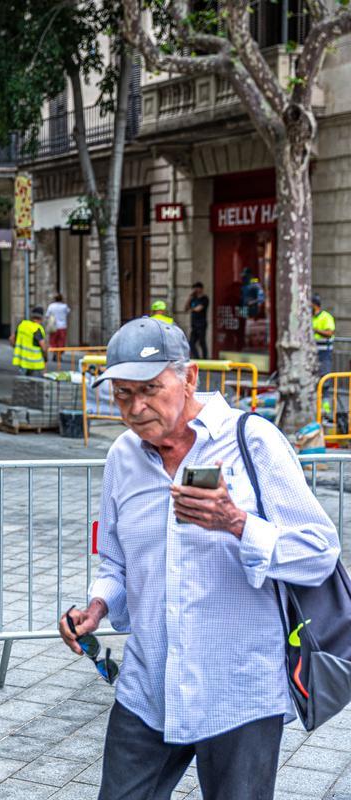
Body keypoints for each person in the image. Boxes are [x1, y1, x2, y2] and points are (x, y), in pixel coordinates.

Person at [58, 317, 339, 800]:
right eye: (122, 393)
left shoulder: (252, 440)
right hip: (150, 687)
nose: (135, 407)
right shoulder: (123, 457)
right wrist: (98, 606)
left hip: (238, 691)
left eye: (149, 388)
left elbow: (319, 552)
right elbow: (115, 564)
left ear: (188, 378)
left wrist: (236, 523)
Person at [9, 307, 47, 375]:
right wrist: (46, 358)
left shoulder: (22, 325)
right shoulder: (37, 329)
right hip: (35, 365)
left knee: (22, 383)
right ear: (41, 318)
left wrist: (16, 347)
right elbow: (43, 346)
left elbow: (11, 339)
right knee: (36, 384)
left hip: (22, 362)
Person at [313, 295, 336, 376]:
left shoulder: (326, 317)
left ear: (314, 305)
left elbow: (330, 333)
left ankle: (324, 388)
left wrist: (315, 330)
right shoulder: (310, 317)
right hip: (313, 351)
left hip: (324, 352)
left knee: (324, 375)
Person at [187, 282, 209, 359]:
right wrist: (190, 298)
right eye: (194, 288)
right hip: (194, 324)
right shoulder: (193, 298)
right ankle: (197, 358)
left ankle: (205, 359)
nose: (195, 290)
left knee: (202, 342)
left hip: (201, 324)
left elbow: (198, 309)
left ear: (201, 289)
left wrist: (191, 309)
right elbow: (186, 308)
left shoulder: (204, 299)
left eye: (197, 288)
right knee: (191, 343)